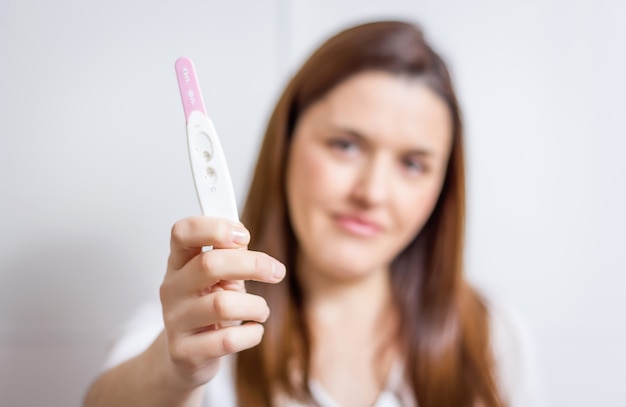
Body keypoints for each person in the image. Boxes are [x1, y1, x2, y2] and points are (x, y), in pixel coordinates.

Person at [84, 20, 540, 407]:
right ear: (286, 144)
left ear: (444, 187)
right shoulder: (198, 328)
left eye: (413, 163)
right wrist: (176, 369)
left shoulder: (491, 337)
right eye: (345, 144)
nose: (373, 192)